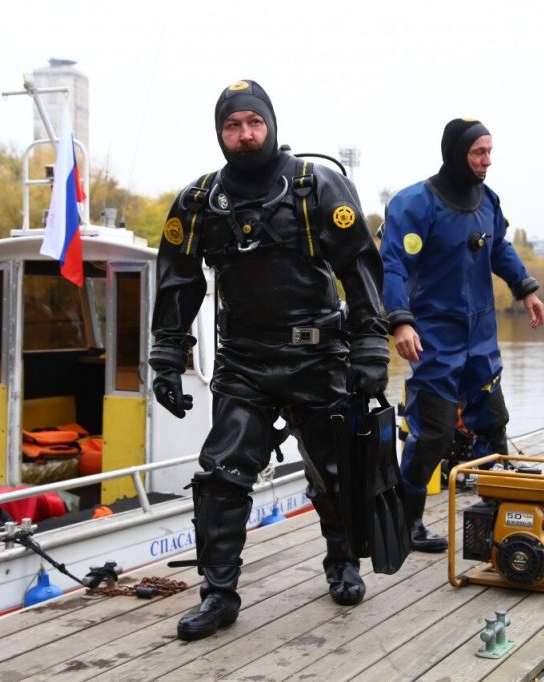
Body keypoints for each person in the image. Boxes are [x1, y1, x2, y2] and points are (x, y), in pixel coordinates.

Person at [149, 80, 389, 641]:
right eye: (233, 126)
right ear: (220, 133)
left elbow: (359, 269)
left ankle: (343, 562)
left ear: (271, 124)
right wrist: (166, 357)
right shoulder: (199, 201)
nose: (245, 134)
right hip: (245, 363)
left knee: (335, 472)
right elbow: (178, 283)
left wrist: (371, 345)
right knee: (220, 476)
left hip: (318, 356)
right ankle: (218, 594)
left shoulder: (315, 186)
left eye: (253, 122)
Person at [380, 118, 544, 552]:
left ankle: (503, 515)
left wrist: (525, 288)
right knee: (432, 432)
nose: (487, 161)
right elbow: (392, 264)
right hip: (433, 335)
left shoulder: (487, 200)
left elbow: (499, 248)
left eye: (490, 152)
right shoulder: (416, 203)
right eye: (478, 153)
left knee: (493, 422)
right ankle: (407, 523)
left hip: (481, 336)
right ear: (456, 152)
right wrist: (400, 319)